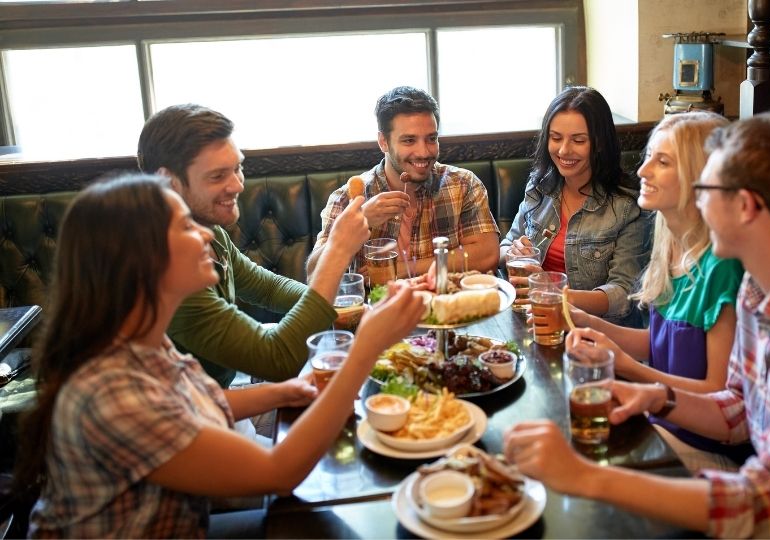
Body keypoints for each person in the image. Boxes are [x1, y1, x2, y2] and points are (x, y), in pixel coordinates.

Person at [504, 114, 770, 538]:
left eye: (705, 187)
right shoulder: (758, 286)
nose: (698, 200)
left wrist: (585, 477)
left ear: (745, 206)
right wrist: (652, 396)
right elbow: (738, 410)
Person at [14, 175, 425, 537]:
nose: (206, 235)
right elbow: (279, 473)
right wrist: (364, 348)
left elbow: (189, 404)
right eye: (184, 227)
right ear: (138, 260)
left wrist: (283, 392)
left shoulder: (140, 338)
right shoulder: (110, 391)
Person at [565, 111, 751, 472]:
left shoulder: (723, 265)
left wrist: (627, 367)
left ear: (701, 178)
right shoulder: (670, 244)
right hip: (660, 423)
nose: (642, 171)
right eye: (648, 156)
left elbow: (717, 391)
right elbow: (662, 342)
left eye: (662, 161)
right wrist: (588, 322)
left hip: (707, 449)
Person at [138, 104, 367, 388]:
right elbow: (275, 360)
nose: (237, 185)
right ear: (167, 181)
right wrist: (338, 250)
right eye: (217, 176)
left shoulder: (212, 234)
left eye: (238, 168)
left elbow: (269, 289)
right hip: (194, 422)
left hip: (220, 402)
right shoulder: (166, 270)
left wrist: (352, 309)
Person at [307, 86, 500, 279]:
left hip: (448, 305)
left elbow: (488, 255)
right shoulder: (347, 198)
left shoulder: (463, 184)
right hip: (376, 308)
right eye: (409, 141)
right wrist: (360, 222)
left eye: (431, 139)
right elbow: (314, 274)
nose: (424, 152)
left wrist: (401, 268)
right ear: (383, 142)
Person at [500, 86, 647, 324]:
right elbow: (505, 245)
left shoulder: (627, 207)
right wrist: (514, 254)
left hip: (596, 336)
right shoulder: (540, 187)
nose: (564, 150)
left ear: (599, 143)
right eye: (556, 138)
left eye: (578, 140)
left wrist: (553, 290)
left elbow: (623, 296)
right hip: (534, 322)